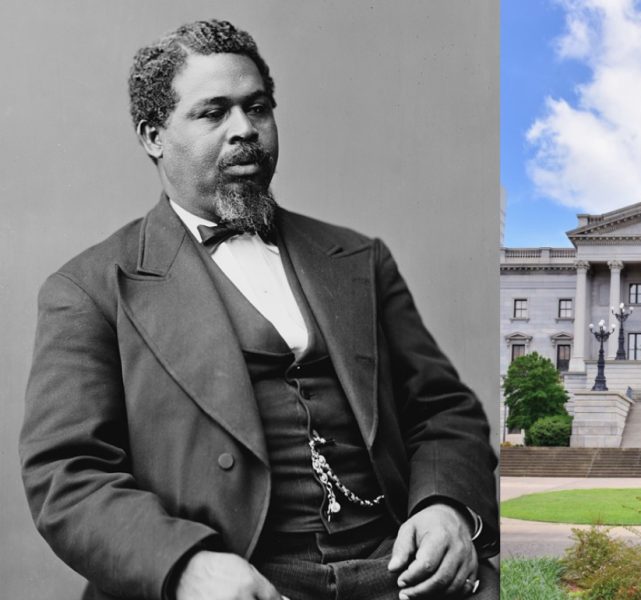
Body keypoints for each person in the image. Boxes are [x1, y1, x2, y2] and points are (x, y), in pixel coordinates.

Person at [19, 19, 498, 600]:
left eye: (258, 108)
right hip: (237, 577)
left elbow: (443, 410)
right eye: (213, 112)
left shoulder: (359, 258)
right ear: (153, 135)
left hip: (399, 567)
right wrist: (186, 566)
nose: (244, 130)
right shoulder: (90, 288)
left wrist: (445, 506)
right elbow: (68, 475)